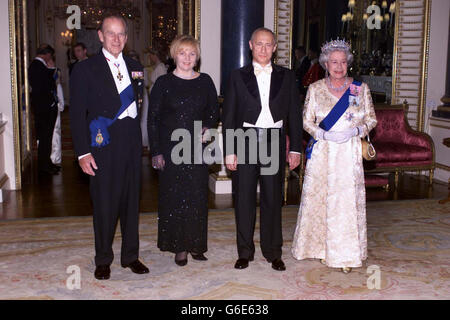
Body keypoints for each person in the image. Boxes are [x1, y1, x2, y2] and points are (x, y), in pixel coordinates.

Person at [70, 15, 149, 280]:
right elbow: (77, 114)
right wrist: (82, 152)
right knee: (104, 203)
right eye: (110, 33)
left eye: (121, 34)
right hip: (102, 144)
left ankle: (130, 256)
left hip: (130, 143)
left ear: (126, 38)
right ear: (101, 36)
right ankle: (103, 258)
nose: (116, 39)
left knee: (131, 202)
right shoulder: (84, 69)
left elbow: (138, 107)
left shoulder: (136, 67)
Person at [291, 39, 377, 273]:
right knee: (321, 199)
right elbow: (306, 121)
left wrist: (356, 131)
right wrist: (320, 133)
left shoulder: (358, 89)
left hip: (348, 151)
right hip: (324, 151)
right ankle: (319, 248)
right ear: (325, 63)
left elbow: (371, 119)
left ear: (348, 63)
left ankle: (345, 252)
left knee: (344, 202)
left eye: (342, 62)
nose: (338, 66)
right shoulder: (315, 89)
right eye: (333, 62)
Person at [222, 27, 302, 272]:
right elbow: (230, 116)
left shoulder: (287, 76)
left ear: (275, 47)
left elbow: (295, 116)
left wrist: (296, 149)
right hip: (245, 138)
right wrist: (230, 150)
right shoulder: (237, 76)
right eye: (259, 44)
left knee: (272, 198)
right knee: (244, 198)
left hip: (274, 141)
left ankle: (273, 252)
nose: (264, 49)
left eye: (269, 44)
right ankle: (244, 252)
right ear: (250, 45)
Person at [148, 35, 219, 266]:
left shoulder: (206, 81)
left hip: (197, 149)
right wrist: (156, 151)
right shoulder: (163, 83)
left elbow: (213, 113)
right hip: (171, 149)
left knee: (197, 196)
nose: (187, 58)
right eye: (182, 53)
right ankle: (179, 246)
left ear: (197, 56)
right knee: (175, 196)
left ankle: (196, 244)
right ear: (174, 55)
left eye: (191, 53)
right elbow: (153, 119)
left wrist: (207, 128)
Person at [29, 44, 60, 175]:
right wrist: (52, 69)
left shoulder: (36, 66)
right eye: (50, 55)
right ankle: (44, 166)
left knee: (46, 138)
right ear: (47, 54)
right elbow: (49, 85)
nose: (51, 58)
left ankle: (47, 163)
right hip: (44, 108)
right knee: (45, 138)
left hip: (43, 107)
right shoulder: (38, 66)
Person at [141, 48, 167, 148]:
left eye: (151, 55)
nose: (150, 57)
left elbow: (161, 86)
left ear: (155, 55)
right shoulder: (156, 67)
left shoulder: (161, 67)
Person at [50, 66, 65, 167]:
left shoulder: (57, 86)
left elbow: (61, 104)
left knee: (56, 134)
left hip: (56, 111)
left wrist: (59, 106)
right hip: (49, 111)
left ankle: (56, 157)